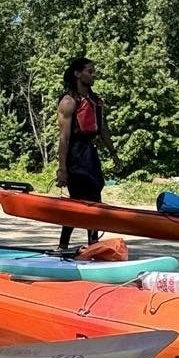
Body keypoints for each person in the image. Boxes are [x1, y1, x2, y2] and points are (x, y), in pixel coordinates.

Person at [53, 56, 116, 253]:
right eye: (89, 71)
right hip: (75, 155)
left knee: (95, 199)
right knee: (77, 200)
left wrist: (114, 153)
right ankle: (63, 244)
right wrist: (62, 169)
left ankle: (93, 244)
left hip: (90, 154)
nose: (93, 75)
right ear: (78, 73)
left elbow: (103, 130)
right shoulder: (68, 101)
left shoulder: (96, 101)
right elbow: (64, 138)